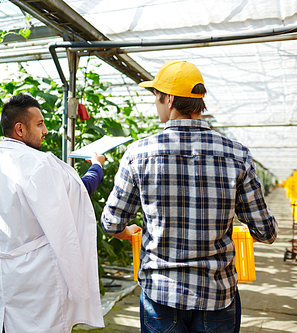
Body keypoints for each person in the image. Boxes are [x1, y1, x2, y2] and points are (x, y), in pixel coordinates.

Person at [101, 60, 278, 333]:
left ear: (169, 99)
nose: (156, 104)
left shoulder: (139, 154)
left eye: (156, 97)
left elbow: (112, 223)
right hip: (217, 293)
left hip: (161, 293)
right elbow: (266, 231)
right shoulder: (236, 154)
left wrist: (127, 233)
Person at [0, 94, 105, 332]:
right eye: (40, 123)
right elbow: (78, 193)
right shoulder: (39, 165)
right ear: (20, 129)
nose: (46, 130)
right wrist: (97, 167)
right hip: (33, 284)